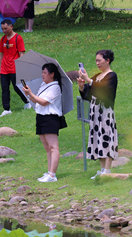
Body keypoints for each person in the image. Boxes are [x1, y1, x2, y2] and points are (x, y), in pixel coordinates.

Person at [21, 63, 67, 183]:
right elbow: (37, 101)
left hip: (50, 118)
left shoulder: (55, 87)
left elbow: (44, 102)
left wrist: (31, 94)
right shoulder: (44, 85)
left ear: (52, 74)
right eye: (42, 72)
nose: (42, 75)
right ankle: (49, 172)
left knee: (53, 147)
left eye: (45, 73)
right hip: (41, 117)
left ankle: (52, 174)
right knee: (47, 148)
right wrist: (29, 95)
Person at [77, 49, 118, 178]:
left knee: (106, 137)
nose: (97, 63)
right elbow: (88, 96)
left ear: (108, 60)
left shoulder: (111, 76)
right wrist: (82, 86)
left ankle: (107, 170)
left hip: (105, 112)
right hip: (94, 113)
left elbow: (104, 90)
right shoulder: (96, 77)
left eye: (99, 60)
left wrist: (88, 80)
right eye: (96, 61)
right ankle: (101, 170)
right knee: (97, 138)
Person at [0, 19, 29, 117]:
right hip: (4, 69)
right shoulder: (3, 39)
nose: (4, 31)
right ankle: (6, 109)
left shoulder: (18, 38)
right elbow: (1, 54)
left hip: (14, 68)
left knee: (17, 87)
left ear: (11, 27)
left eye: (6, 28)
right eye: (2, 29)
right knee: (4, 88)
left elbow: (21, 54)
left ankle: (27, 101)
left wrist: (22, 67)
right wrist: (0, 68)